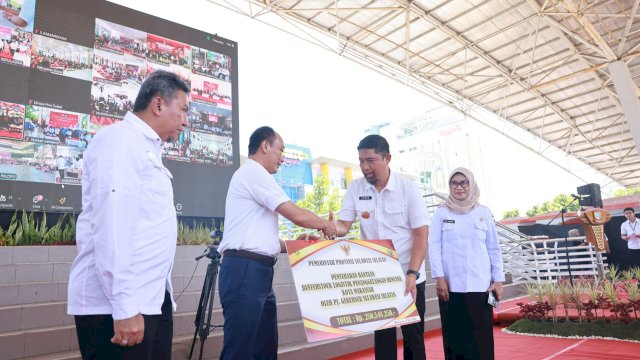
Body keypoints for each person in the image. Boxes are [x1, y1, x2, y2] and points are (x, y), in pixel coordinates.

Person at [67, 70, 190, 360]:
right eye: (183, 110)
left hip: (148, 301)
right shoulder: (121, 141)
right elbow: (113, 227)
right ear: (158, 105)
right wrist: (124, 307)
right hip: (118, 308)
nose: (186, 121)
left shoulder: (146, 148)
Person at [217, 126, 337, 360]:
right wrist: (325, 224)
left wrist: (291, 244)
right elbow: (297, 215)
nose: (283, 158)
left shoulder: (255, 176)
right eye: (280, 150)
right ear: (265, 146)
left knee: (264, 349)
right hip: (245, 272)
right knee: (240, 351)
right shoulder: (253, 172)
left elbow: (258, 237)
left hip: (258, 273)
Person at [333, 134, 429, 360]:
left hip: (409, 275)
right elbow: (343, 226)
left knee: (413, 338)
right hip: (378, 278)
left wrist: (412, 274)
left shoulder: (408, 189)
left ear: (387, 158)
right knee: (383, 337)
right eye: (360, 161)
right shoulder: (356, 189)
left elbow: (421, 234)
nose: (364, 167)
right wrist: (327, 227)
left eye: (370, 160)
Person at [428, 167, 504, 360]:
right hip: (450, 288)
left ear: (471, 184)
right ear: (449, 186)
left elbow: (494, 248)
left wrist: (498, 280)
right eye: (454, 183)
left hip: (480, 287)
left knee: (481, 339)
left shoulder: (484, 213)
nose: (459, 187)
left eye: (464, 182)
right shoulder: (441, 213)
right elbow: (434, 246)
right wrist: (439, 278)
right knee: (454, 339)